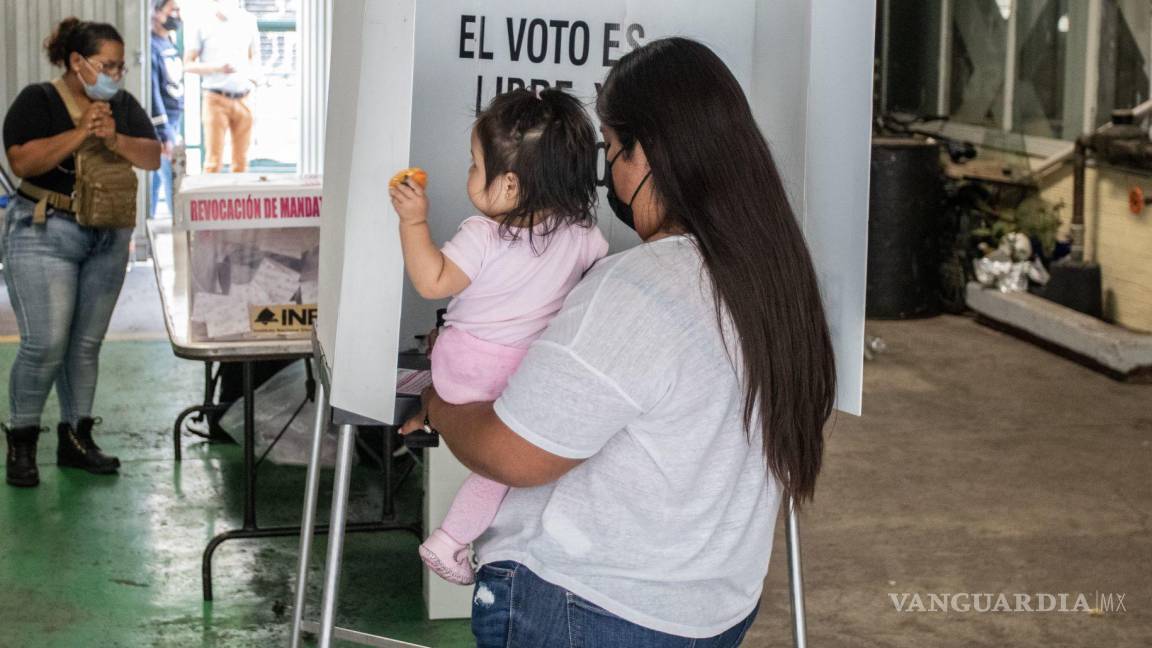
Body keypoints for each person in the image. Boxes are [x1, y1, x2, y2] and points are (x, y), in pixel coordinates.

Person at [401, 38, 837, 646]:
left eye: (613, 150)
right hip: (714, 607)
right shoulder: (776, 276)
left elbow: (512, 456)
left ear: (649, 152)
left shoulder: (639, 287)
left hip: (591, 606)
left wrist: (441, 408)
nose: (610, 174)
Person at [390, 88, 609, 586]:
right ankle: (450, 539)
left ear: (509, 185)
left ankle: (448, 538)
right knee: (502, 467)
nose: (468, 175)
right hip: (514, 374)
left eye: (474, 165)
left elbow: (432, 282)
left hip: (463, 366)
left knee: (499, 460)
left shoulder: (483, 235)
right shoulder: (582, 236)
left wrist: (413, 222)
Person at [2, 18, 161, 488]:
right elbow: (21, 162)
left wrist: (114, 137)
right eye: (106, 65)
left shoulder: (123, 106)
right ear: (77, 62)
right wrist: (81, 132)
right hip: (44, 230)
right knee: (45, 342)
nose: (116, 74)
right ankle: (23, 438)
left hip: (107, 234)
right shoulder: (39, 100)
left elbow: (152, 156)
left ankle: (76, 437)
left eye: (121, 65)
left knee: (85, 344)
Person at [184, 0, 259, 173]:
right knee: (213, 161)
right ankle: (209, 199)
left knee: (241, 162)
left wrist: (253, 78)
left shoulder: (248, 20)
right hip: (215, 97)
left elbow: (254, 57)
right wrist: (217, 68)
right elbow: (187, 64)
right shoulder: (201, 22)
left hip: (244, 96)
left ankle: (241, 198)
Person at [150, 0, 185, 217]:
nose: (177, 16)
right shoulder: (151, 45)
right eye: (172, 11)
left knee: (167, 177)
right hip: (163, 127)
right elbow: (153, 90)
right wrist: (163, 130)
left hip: (174, 120)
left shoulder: (168, 42)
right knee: (168, 178)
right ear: (156, 12)